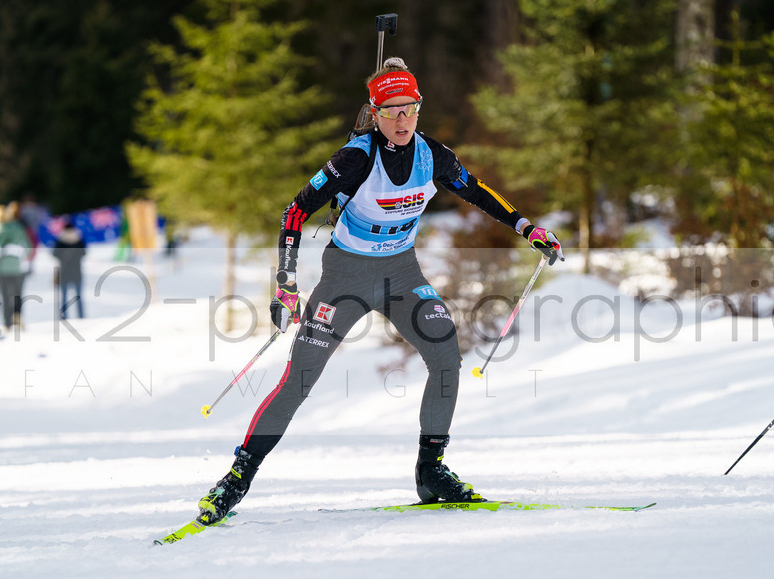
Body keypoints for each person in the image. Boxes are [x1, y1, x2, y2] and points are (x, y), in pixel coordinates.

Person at [195, 58, 564, 524]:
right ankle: (236, 479)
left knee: (446, 356)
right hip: (344, 277)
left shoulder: (434, 155)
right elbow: (295, 211)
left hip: (402, 274)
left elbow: (475, 189)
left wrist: (525, 227)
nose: (402, 121)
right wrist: (285, 282)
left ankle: (431, 471)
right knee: (301, 379)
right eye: (391, 112)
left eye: (409, 109)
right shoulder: (356, 156)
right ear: (374, 113)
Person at [0, 202, 32, 332]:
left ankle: (7, 322)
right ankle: (18, 316)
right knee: (17, 293)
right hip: (18, 267)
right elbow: (28, 248)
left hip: (2, 268)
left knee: (5, 295)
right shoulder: (19, 228)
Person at [52, 216, 87, 319]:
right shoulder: (78, 238)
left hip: (64, 270)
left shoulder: (60, 239)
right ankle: (81, 316)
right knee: (79, 296)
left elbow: (55, 254)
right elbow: (83, 253)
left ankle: (63, 316)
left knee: (64, 296)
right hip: (77, 270)